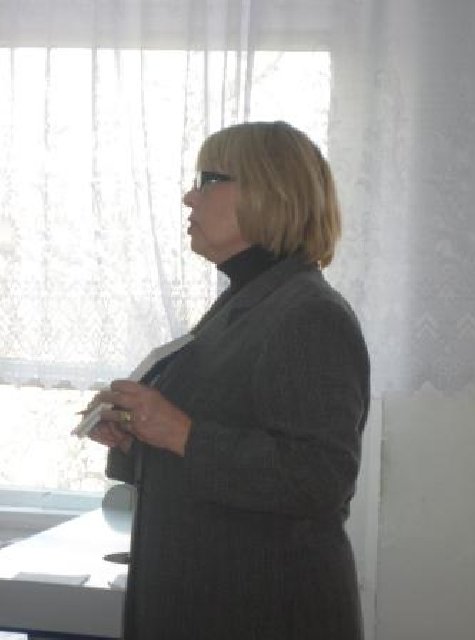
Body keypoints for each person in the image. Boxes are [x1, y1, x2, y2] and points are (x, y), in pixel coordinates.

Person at [88, 120, 370, 640]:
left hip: (264, 612)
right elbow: (220, 440)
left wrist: (180, 432)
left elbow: (320, 478)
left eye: (207, 180)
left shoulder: (310, 314)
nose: (188, 197)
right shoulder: (244, 304)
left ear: (269, 191)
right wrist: (135, 438)